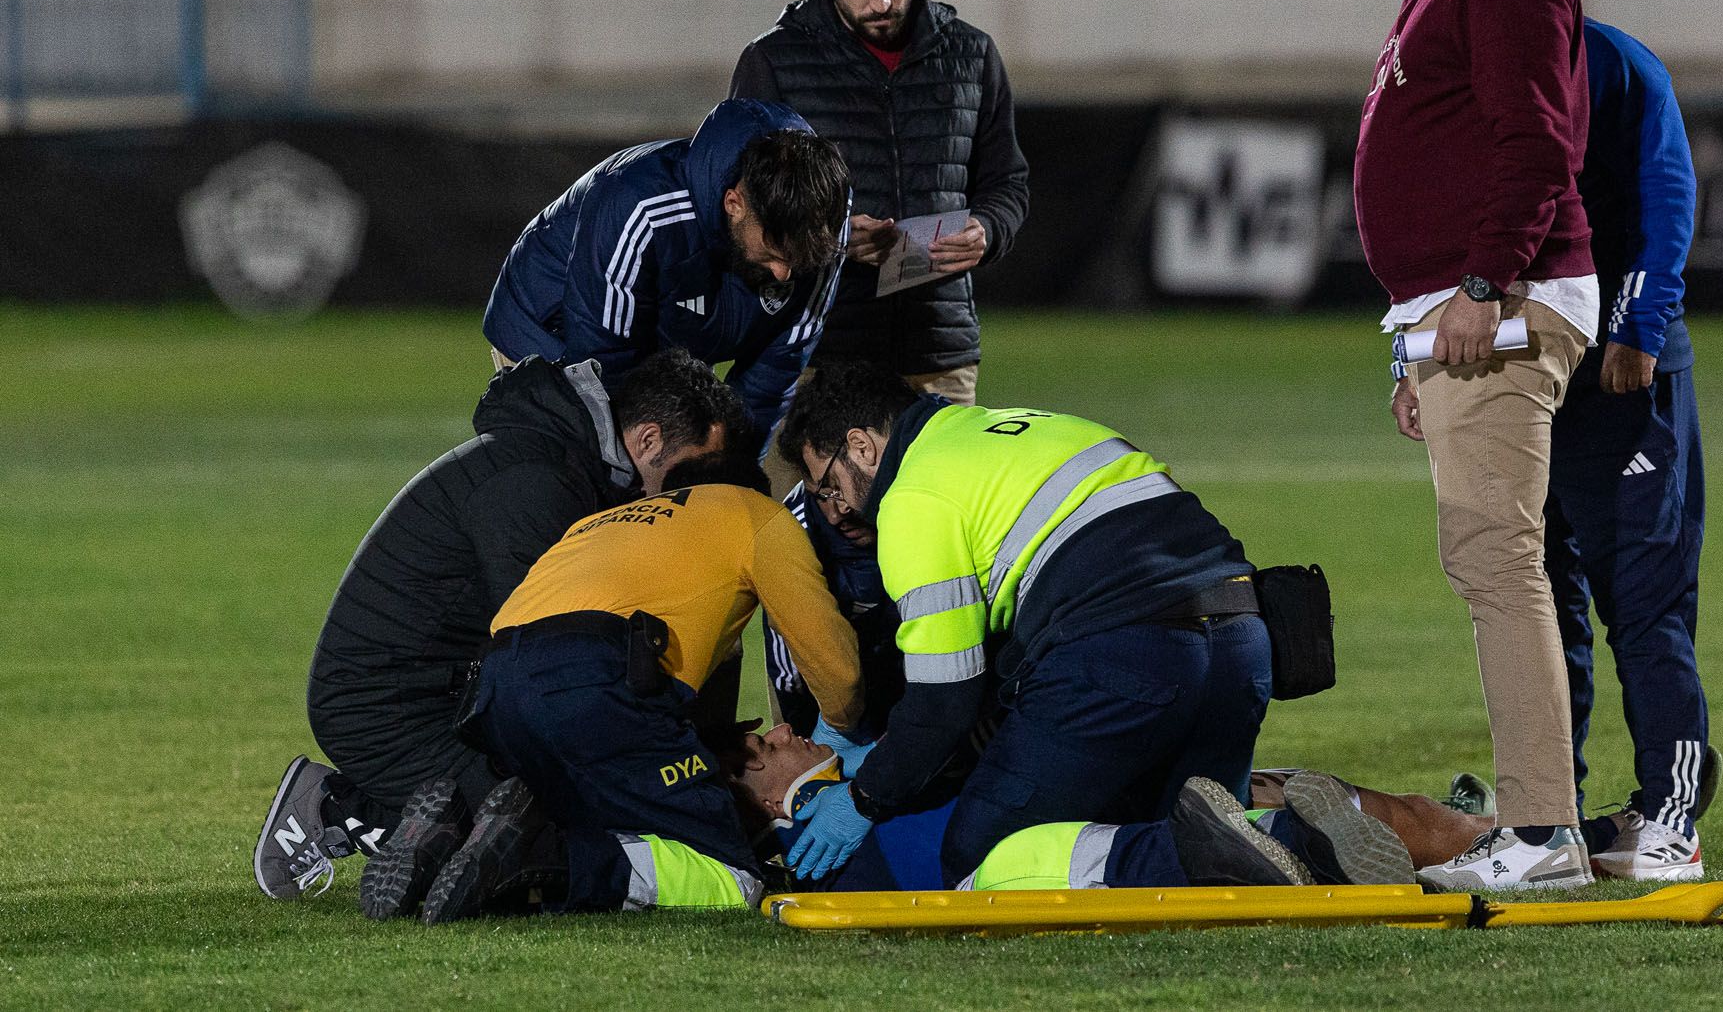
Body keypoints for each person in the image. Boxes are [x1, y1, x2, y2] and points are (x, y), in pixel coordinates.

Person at [253, 348, 741, 914]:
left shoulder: (553, 465)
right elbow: (546, 651)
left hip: (429, 691)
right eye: (688, 474)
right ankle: (336, 811)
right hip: (382, 710)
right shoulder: (537, 481)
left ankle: (386, 817)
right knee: (539, 832)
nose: (690, 494)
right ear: (649, 440)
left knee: (532, 822)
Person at [1358, 0, 1598, 891]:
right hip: (1466, 308)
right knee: (1494, 557)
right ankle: (1540, 819)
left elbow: (1538, 148)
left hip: (1509, 295)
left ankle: (1545, 831)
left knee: (1497, 558)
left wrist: (1481, 284)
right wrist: (1416, 331)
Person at [774, 359, 1273, 887]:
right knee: (1189, 824)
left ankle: (1273, 845)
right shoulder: (1038, 425)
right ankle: (1299, 835)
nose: (835, 513)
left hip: (1127, 654)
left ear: (861, 446)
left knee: (985, 862)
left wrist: (864, 798)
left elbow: (944, 700)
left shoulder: (913, 498)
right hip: (1244, 641)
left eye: (828, 488)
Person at [416, 455, 865, 924]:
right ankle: (539, 854)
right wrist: (842, 729)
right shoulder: (756, 513)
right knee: (736, 876)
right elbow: (838, 668)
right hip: (595, 679)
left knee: (612, 821)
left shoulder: (599, 524)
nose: (783, 730)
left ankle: (446, 836)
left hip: (492, 690)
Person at [730, 0, 1030, 462]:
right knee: (795, 536)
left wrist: (988, 231)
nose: (881, 0)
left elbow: (1007, 182)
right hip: (813, 352)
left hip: (935, 355)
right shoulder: (774, 63)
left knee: (935, 533)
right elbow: (741, 206)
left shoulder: (972, 55)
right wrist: (833, 239)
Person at [1547, 19, 1712, 879]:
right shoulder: (1465, 58)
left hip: (1620, 370)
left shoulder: (1617, 66)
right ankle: (1550, 814)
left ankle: (1672, 814)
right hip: (1527, 369)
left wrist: (1640, 324)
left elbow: (1665, 189)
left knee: (1643, 602)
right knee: (1540, 599)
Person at [482, 97, 850, 452]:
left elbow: (772, 376)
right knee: (579, 481)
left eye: (796, 262)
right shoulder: (638, 205)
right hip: (553, 334)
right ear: (733, 204)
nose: (784, 276)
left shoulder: (824, 221)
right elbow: (600, 367)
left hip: (668, 340)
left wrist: (736, 474)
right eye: (772, 254)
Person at [726, 722, 1491, 892]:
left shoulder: (868, 773)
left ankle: (1469, 831)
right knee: (1206, 829)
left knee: (1257, 788)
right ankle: (1310, 838)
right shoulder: (818, 838)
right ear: (767, 794)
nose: (784, 729)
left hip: (1048, 812)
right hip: (1012, 858)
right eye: (767, 743)